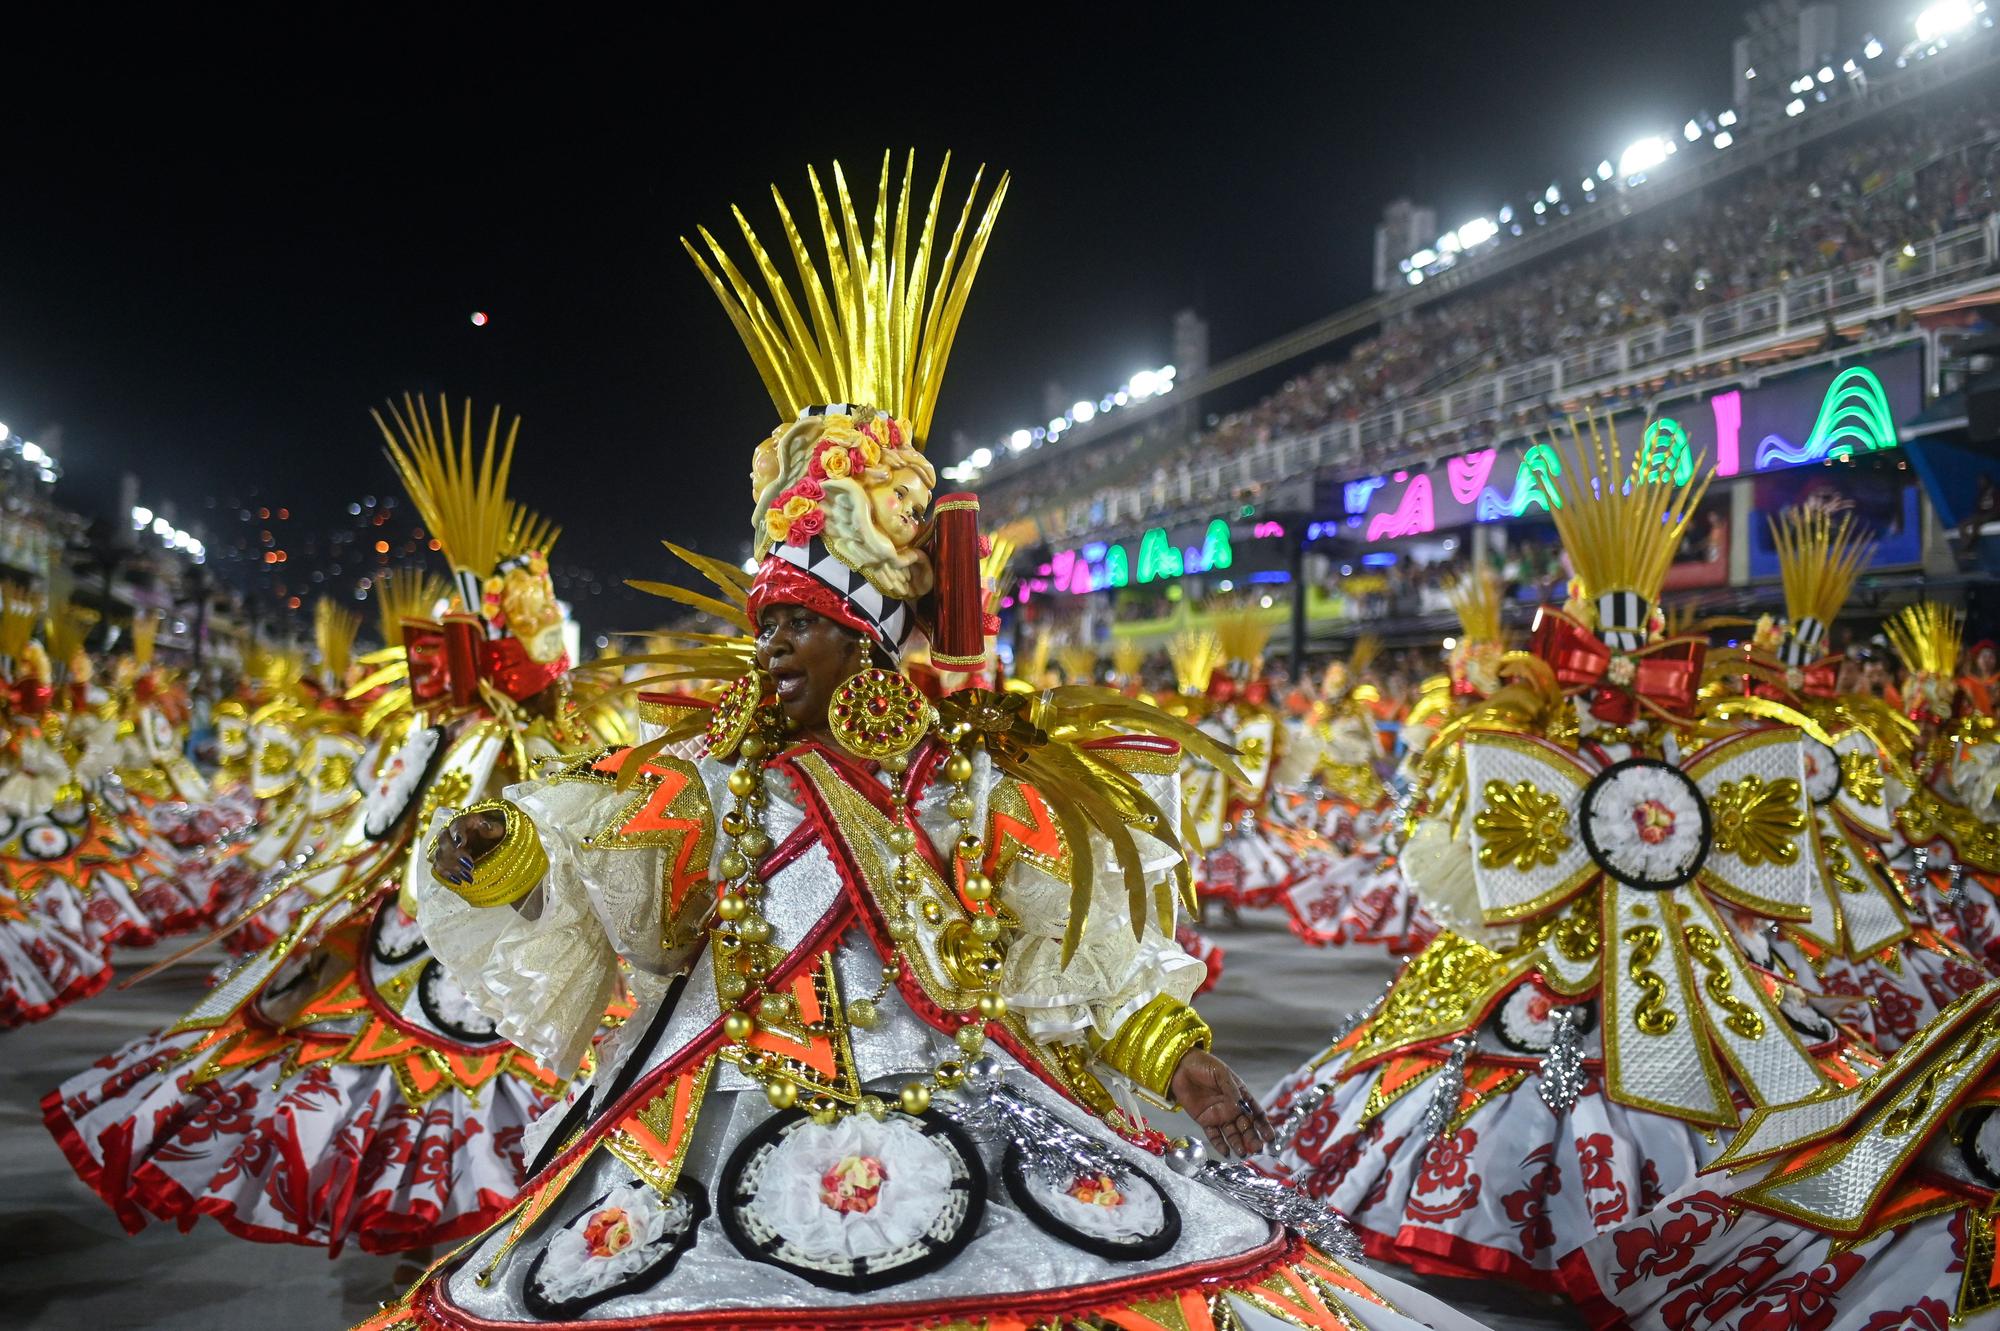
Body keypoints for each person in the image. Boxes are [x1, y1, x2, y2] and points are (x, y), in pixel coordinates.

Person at [359, 154, 1493, 1331]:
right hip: (726, 1111)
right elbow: (606, 886)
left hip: (970, 1110)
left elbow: (1070, 961)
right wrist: (498, 854)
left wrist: (1175, 1058)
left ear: (869, 635)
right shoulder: (706, 770)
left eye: (800, 624)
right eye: (767, 624)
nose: (773, 649)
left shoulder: (969, 775)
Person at [45, 398, 606, 1258]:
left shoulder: (505, 737)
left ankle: (477, 1224)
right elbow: (385, 822)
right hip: (424, 919)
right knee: (378, 1067)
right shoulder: (458, 736)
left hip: (491, 931)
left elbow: (532, 832)